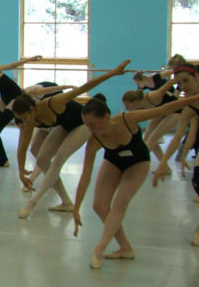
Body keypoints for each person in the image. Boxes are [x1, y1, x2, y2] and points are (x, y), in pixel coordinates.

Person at [73, 92, 199, 268]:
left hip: (138, 162)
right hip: (114, 161)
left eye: (93, 124)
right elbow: (85, 175)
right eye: (87, 125)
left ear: (106, 116)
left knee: (119, 204)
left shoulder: (127, 120)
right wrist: (76, 207)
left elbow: (165, 109)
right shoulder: (93, 141)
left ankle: (99, 249)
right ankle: (125, 248)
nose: (91, 129)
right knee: (99, 206)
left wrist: (195, 98)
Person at [11, 61, 131, 219]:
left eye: (25, 117)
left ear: (31, 108)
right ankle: (67, 202)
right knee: (42, 159)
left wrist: (112, 73)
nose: (25, 122)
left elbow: (83, 88)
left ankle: (32, 203)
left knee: (58, 159)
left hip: (82, 124)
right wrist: (21, 172)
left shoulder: (54, 103)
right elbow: (22, 147)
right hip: (65, 126)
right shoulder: (30, 121)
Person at [152, 65, 199, 246]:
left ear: (196, 77)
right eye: (179, 83)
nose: (184, 86)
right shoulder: (188, 106)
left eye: (186, 81)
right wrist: (162, 163)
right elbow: (178, 136)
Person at [121, 79, 180, 172]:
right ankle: (165, 168)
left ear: (135, 101)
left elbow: (168, 84)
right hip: (161, 112)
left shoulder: (153, 96)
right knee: (147, 138)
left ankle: (135, 164)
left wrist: (179, 79)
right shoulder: (140, 105)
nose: (127, 108)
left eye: (127, 106)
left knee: (152, 138)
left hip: (176, 111)